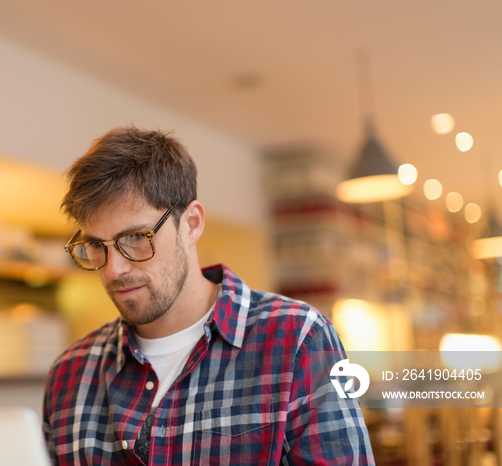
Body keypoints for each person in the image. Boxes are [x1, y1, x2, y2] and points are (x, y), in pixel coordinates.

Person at [43, 126, 375, 465]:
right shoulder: (71, 373)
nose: (113, 270)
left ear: (191, 224)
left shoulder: (298, 339)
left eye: (136, 238)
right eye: (96, 247)